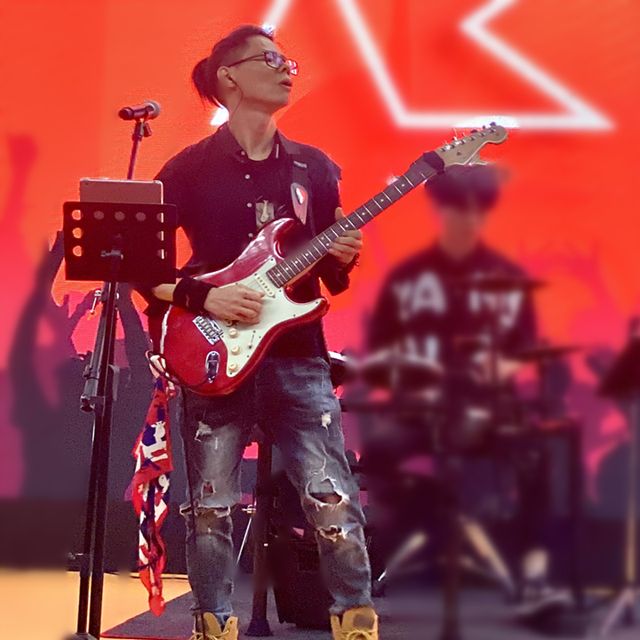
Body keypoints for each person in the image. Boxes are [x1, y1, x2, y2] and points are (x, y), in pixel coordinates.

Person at [135, 25, 377, 640]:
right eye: (270, 59)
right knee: (211, 508)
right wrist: (205, 295)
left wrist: (343, 258)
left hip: (297, 354)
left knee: (332, 498)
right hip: (214, 354)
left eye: (288, 60)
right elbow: (141, 267)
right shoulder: (186, 170)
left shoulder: (313, 168)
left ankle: (355, 619)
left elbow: (326, 276)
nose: (286, 69)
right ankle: (213, 623)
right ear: (229, 77)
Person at [366, 163, 569, 617]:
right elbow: (382, 351)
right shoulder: (409, 277)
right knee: (379, 454)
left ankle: (535, 576)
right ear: (441, 213)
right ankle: (377, 563)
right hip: (419, 413)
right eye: (457, 208)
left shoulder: (506, 276)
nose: (467, 218)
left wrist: (499, 367)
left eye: (476, 209)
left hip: (487, 411)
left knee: (537, 457)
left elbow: (524, 347)